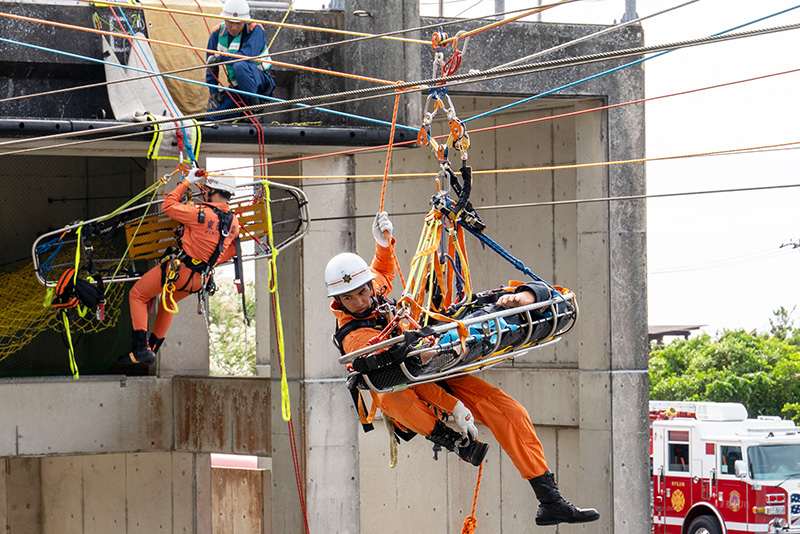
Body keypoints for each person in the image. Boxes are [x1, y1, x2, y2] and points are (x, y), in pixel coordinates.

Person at [325, 212, 599, 526]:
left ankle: (550, 501)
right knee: (392, 393)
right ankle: (450, 439)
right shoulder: (357, 339)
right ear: (338, 301)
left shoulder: (372, 289)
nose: (360, 301)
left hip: (434, 368)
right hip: (405, 386)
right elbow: (406, 377)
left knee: (511, 413)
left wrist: (382, 242)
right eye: (349, 298)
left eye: (362, 292)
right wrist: (454, 407)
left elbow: (383, 269)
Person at [121, 169, 240, 366]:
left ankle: (141, 348)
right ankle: (152, 350)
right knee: (167, 302)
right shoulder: (234, 223)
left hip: (179, 272)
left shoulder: (200, 214)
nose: (205, 192)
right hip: (199, 280)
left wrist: (187, 181)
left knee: (138, 295)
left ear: (213, 191)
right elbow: (228, 249)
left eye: (208, 189)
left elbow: (168, 206)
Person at [205, 0, 275, 120]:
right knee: (212, 117)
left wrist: (221, 58)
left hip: (260, 82)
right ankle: (242, 111)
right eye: (230, 22)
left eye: (238, 24)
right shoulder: (217, 33)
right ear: (225, 20)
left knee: (239, 65)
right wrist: (213, 92)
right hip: (237, 86)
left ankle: (255, 109)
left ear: (245, 21)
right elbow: (211, 65)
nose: (234, 27)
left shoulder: (256, 30)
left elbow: (246, 57)